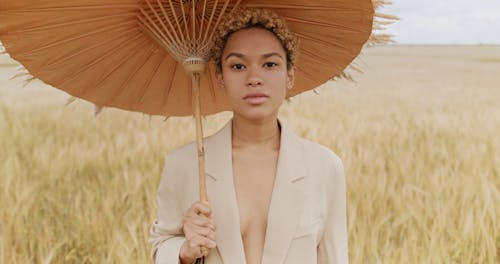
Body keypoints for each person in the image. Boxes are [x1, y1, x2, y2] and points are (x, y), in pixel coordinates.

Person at [149, 9, 348, 264]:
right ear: (220, 77)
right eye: (238, 66)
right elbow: (161, 245)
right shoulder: (184, 163)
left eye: (269, 64)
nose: (254, 78)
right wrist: (185, 250)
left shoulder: (324, 166)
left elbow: (335, 257)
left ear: (289, 75)